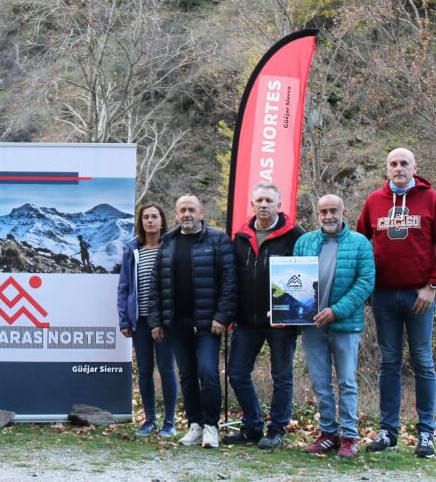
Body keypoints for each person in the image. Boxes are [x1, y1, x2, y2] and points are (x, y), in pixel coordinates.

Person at [356, 148, 436, 459]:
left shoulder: (431, 199)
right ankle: (388, 431)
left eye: (404, 164)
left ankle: (426, 433)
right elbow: (359, 243)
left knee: (423, 362)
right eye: (393, 164)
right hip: (383, 296)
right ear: (387, 169)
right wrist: (366, 287)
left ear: (415, 167)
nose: (398, 169)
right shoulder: (375, 201)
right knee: (389, 363)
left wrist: (432, 286)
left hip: (419, 297)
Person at [149, 194, 237, 449]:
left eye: (191, 210)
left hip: (208, 323)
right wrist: (156, 321)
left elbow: (229, 283)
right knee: (186, 375)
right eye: (181, 210)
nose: (186, 214)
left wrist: (222, 317)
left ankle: (211, 426)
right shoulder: (168, 241)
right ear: (175, 215)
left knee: (208, 372)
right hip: (176, 322)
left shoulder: (218, 240)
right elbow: (157, 286)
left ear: (202, 212)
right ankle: (195, 425)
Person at [224, 182, 304, 450]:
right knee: (236, 372)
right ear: (252, 205)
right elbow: (232, 278)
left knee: (281, 376)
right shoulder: (241, 236)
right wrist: (229, 314)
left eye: (269, 201)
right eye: (259, 200)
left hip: (280, 320)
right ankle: (252, 425)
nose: (264, 205)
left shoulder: (295, 235)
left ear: (279, 205)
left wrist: (293, 314)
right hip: (246, 320)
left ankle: (277, 429)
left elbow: (303, 278)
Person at [295, 194, 375, 458]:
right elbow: (293, 278)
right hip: (312, 326)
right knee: (320, 382)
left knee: (347, 381)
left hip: (345, 325)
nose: (328, 216)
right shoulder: (305, 242)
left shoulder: (360, 243)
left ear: (344, 212)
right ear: (317, 215)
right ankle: (328, 433)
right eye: (323, 212)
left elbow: (365, 283)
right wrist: (288, 310)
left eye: (333, 211)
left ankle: (350, 436)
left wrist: (336, 311)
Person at [117, 202, 177, 438]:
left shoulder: (171, 247)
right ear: (140, 222)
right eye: (145, 217)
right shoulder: (132, 249)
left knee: (166, 369)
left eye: (154, 216)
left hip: (164, 321)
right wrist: (124, 319)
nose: (150, 221)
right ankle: (150, 419)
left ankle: (169, 422)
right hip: (139, 321)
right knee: (144, 370)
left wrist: (164, 320)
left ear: (162, 220)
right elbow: (124, 287)